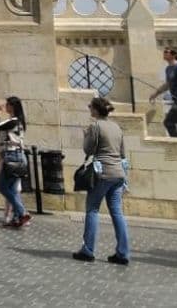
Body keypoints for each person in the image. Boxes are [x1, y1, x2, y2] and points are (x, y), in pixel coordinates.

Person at [72, 97, 129, 264]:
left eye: (91, 107)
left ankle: (88, 250)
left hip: (102, 173)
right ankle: (123, 253)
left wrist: (86, 136)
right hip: (118, 174)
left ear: (96, 110)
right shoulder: (117, 127)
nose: (89, 109)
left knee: (92, 209)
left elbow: (88, 149)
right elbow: (123, 153)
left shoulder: (95, 126)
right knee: (117, 212)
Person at [0, 96, 31, 228]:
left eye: (7, 104)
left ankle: (22, 212)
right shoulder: (19, 121)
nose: (5, 106)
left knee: (1, 187)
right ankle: (18, 218)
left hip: (12, 156)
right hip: (18, 156)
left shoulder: (13, 121)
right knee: (13, 190)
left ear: (12, 106)